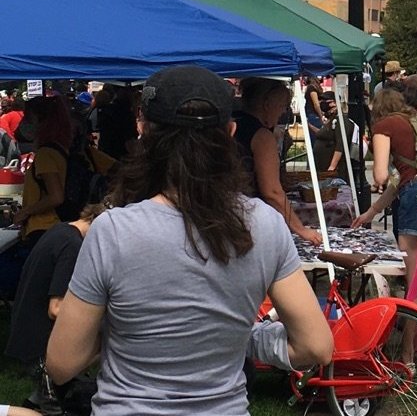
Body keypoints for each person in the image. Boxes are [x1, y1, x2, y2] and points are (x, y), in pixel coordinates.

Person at [45, 65, 333, 415]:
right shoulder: (265, 225)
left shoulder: (112, 232)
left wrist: (132, 334)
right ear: (230, 132)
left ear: (143, 130)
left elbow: (61, 363)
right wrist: (242, 338)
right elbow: (316, 345)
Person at [5, 203, 105, 413]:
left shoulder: (60, 230)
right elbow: (57, 308)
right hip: (43, 347)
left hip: (27, 337)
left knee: (40, 399)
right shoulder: (73, 246)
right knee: (59, 408)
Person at [233, 77, 322, 246]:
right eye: (282, 106)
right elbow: (272, 192)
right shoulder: (261, 136)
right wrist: (301, 230)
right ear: (267, 103)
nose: (283, 112)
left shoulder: (230, 123)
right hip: (246, 219)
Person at [353, 89, 417, 285]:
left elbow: (381, 176)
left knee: (410, 254)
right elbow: (398, 181)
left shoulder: (384, 126)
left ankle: (413, 311)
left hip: (412, 195)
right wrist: (371, 212)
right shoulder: (413, 121)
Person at [13, 96, 74, 245]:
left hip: (43, 229)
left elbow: (56, 196)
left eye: (28, 118)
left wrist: (25, 212)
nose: (24, 123)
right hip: (57, 228)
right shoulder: (61, 149)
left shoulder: (45, 154)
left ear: (41, 121)